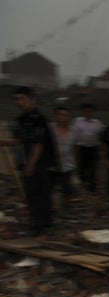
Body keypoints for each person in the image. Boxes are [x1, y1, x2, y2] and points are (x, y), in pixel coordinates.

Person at [12, 86, 56, 238]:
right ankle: (39, 224)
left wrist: (31, 164)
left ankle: (41, 228)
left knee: (40, 196)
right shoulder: (21, 120)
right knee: (31, 195)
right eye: (17, 99)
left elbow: (39, 143)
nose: (19, 102)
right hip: (27, 163)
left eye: (22, 99)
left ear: (32, 100)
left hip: (41, 165)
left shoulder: (39, 120)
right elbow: (19, 140)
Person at [49, 105, 79, 208]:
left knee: (66, 189)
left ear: (69, 117)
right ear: (55, 116)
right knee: (50, 189)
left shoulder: (74, 132)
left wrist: (76, 164)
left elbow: (75, 148)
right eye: (60, 114)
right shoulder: (49, 128)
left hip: (67, 166)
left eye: (65, 115)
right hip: (51, 166)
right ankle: (50, 209)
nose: (62, 117)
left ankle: (65, 209)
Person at [71, 103, 104, 192]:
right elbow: (74, 136)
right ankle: (82, 187)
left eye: (90, 112)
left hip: (93, 149)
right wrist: (75, 150)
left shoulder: (98, 123)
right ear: (83, 112)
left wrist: (101, 150)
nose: (88, 113)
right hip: (81, 148)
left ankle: (93, 188)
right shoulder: (78, 121)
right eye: (86, 111)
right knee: (81, 168)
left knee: (93, 169)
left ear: (93, 112)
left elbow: (102, 137)